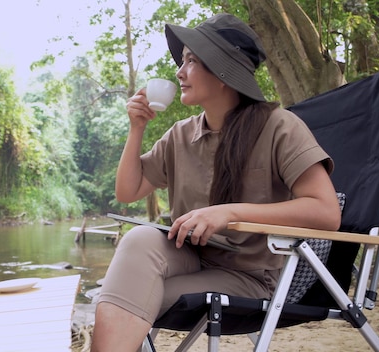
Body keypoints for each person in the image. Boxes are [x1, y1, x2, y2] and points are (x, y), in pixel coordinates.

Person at [90, 13, 342, 352]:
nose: (179, 72)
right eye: (182, 61)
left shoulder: (280, 127)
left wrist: (227, 213)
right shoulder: (180, 135)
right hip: (190, 256)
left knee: (125, 298)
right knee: (138, 241)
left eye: (192, 61)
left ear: (224, 72)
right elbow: (128, 191)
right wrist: (136, 128)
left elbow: (326, 212)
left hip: (248, 276)